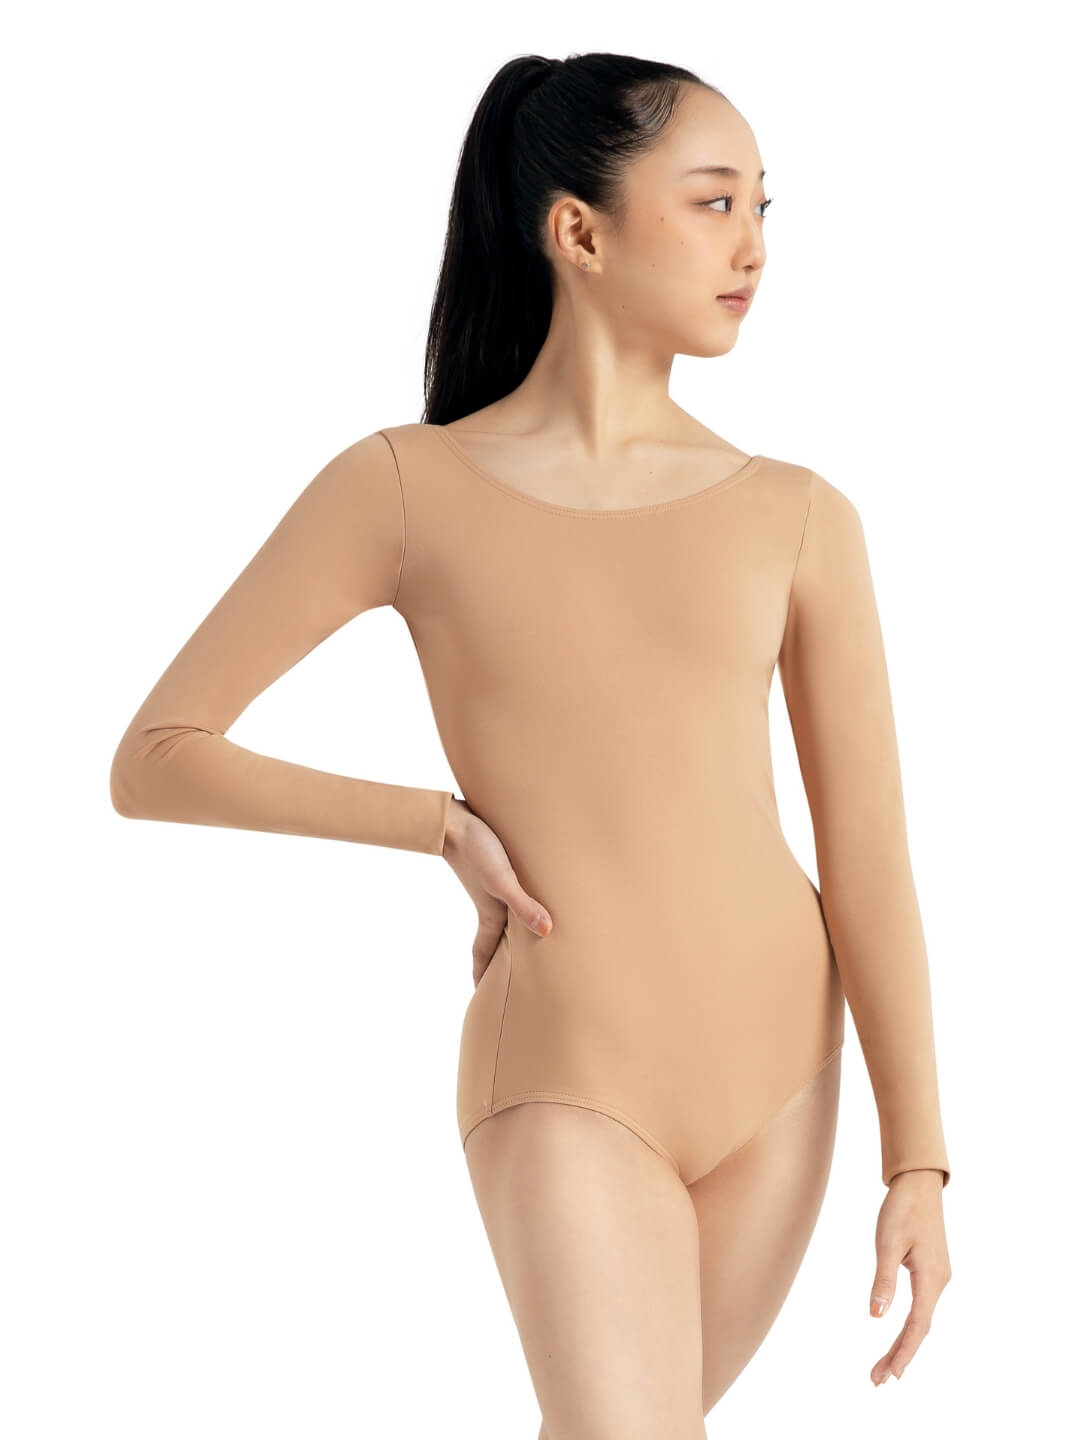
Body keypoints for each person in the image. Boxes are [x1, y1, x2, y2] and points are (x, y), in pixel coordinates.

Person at [110, 51, 952, 1436]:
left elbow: (868, 857)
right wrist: (437, 825)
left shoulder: (800, 516)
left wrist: (917, 1160)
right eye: (714, 202)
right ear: (579, 231)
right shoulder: (404, 486)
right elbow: (156, 755)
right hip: (566, 1059)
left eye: (763, 207)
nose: (753, 246)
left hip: (782, 1078)